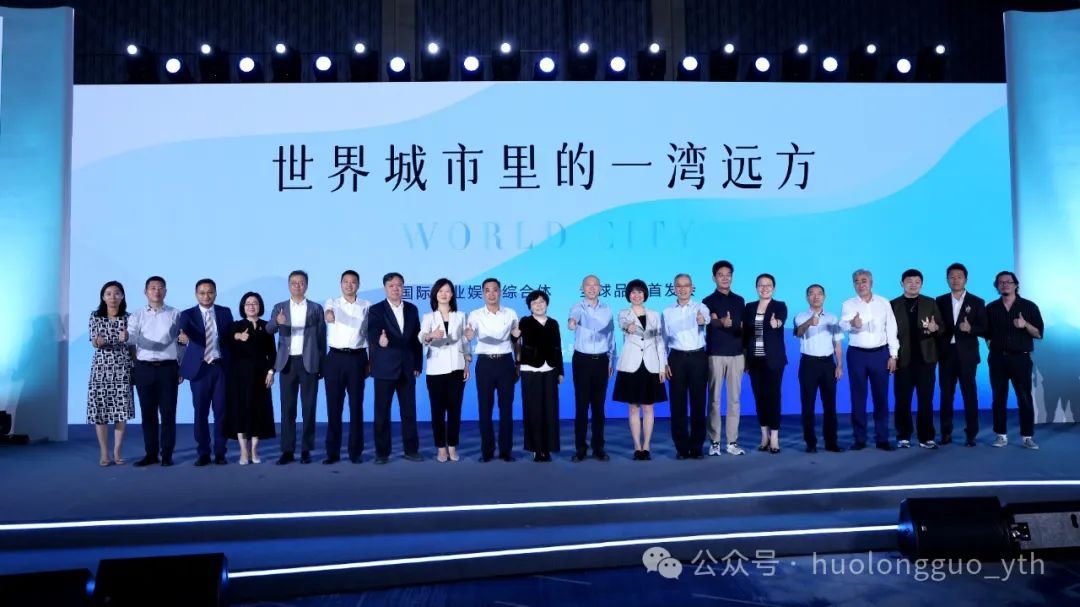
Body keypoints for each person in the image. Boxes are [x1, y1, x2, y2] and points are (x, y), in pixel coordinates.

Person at [267, 270, 327, 465]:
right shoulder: (280, 307)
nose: (297, 286)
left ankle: (306, 450)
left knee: (309, 408)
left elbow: (322, 338)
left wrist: (322, 365)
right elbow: (268, 330)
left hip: (309, 362)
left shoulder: (316, 308)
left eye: (301, 283)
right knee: (288, 408)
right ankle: (287, 450)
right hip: (287, 363)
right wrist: (276, 322)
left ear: (306, 285)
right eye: (294, 282)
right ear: (288, 285)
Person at [367, 272, 423, 464]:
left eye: (399, 285)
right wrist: (379, 339)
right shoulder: (376, 309)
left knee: (409, 411)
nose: (395, 289)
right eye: (391, 286)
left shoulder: (412, 309)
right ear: (385, 288)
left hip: (407, 367)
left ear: (403, 287)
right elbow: (372, 331)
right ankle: (382, 453)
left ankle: (411, 450)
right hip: (385, 367)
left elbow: (417, 338)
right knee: (382, 412)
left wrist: (417, 364)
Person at [840, 269, 899, 451]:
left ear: (871, 283)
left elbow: (891, 329)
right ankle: (859, 438)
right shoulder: (848, 304)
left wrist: (893, 355)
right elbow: (842, 325)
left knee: (881, 397)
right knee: (858, 397)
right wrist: (852, 324)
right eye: (857, 281)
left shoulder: (883, 302)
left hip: (880, 354)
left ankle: (882, 438)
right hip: (857, 355)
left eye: (864, 280)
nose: (860, 284)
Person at [178, 278, 235, 466]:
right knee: (200, 412)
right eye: (202, 293)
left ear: (215, 293)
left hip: (220, 368)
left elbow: (229, 340)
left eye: (210, 292)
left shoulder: (225, 312)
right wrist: (180, 367)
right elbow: (180, 342)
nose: (206, 296)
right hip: (199, 370)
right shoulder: (187, 315)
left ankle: (220, 452)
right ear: (196, 294)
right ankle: (203, 453)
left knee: (222, 412)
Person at [985, 270, 1044, 449]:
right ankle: (1001, 435)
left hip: (1021, 359)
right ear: (997, 286)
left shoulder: (1029, 306)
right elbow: (986, 332)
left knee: (1024, 397)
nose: (1005, 285)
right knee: (998, 397)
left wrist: (1025, 325)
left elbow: (1039, 333)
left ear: (1016, 285)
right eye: (1001, 282)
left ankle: (1027, 436)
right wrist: (990, 342)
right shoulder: (991, 308)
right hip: (997, 359)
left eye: (1008, 282)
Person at [127, 276, 181, 467]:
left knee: (168, 413)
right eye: (153, 288)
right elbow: (131, 339)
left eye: (160, 288)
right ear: (145, 291)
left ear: (165, 291)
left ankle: (167, 454)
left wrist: (181, 367)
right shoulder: (137, 315)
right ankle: (151, 454)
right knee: (148, 413)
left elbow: (181, 342)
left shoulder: (175, 314)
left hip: (168, 368)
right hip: (144, 368)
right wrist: (125, 337)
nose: (156, 291)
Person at [466, 278, 521, 462]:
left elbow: (516, 340)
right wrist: (468, 335)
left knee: (506, 409)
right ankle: (487, 452)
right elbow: (469, 333)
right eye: (487, 290)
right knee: (485, 408)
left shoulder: (510, 313)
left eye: (495, 290)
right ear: (483, 293)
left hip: (505, 363)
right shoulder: (475, 314)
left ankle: (506, 451)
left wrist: (518, 363)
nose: (491, 294)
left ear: (500, 292)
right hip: (485, 364)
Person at [613, 279, 667, 461]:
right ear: (628, 295)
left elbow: (659, 341)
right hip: (631, 366)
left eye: (640, 292)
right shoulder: (624, 313)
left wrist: (662, 366)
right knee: (634, 408)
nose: (637, 295)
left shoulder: (654, 314)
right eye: (633, 292)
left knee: (649, 407)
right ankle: (637, 446)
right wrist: (628, 327)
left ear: (645, 294)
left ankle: (647, 446)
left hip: (651, 365)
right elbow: (624, 325)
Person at [935, 263, 987, 447]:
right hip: (946, 355)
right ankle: (945, 433)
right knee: (946, 395)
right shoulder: (939, 301)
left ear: (966, 279)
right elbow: (938, 327)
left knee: (969, 395)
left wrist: (970, 328)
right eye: (952, 277)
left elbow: (985, 329)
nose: (955, 280)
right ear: (947, 279)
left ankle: (971, 434)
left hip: (967, 356)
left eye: (959, 277)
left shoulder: (977, 301)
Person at [890, 269, 943, 449]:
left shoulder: (930, 302)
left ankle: (926, 436)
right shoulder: (893, 305)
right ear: (902, 283)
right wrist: (892, 356)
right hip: (902, 359)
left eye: (917, 281)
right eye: (909, 281)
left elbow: (942, 327)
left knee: (926, 399)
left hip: (926, 359)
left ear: (921, 284)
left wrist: (936, 328)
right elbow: (888, 333)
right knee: (902, 399)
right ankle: (903, 435)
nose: (913, 284)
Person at [419, 278, 471, 463]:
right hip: (435, 370)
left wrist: (467, 364)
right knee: (437, 411)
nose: (444, 294)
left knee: (455, 410)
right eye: (440, 291)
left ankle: (452, 447)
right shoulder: (429, 317)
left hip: (456, 368)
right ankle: (441, 448)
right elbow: (421, 337)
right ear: (435, 294)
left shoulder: (461, 316)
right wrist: (430, 335)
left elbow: (465, 341)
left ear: (452, 295)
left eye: (447, 291)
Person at [323, 270, 370, 464]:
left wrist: (370, 361)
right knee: (334, 407)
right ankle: (332, 453)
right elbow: (328, 315)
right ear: (340, 284)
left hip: (357, 358)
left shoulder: (367, 305)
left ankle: (355, 452)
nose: (349, 285)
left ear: (358, 285)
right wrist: (329, 315)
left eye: (353, 282)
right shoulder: (332, 302)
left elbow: (369, 333)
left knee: (356, 406)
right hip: (335, 358)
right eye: (346, 282)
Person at [661, 273, 710, 459]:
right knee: (677, 405)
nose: (683, 289)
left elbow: (705, 318)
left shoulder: (700, 307)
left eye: (686, 285)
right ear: (674, 289)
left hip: (698, 358)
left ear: (692, 288)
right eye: (679, 286)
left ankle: (697, 447)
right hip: (676, 359)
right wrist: (664, 363)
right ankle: (681, 448)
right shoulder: (667, 312)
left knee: (698, 403)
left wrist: (701, 320)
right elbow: (663, 340)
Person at [567, 275, 615, 462]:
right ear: (583, 288)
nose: (592, 288)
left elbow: (611, 337)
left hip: (601, 361)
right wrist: (572, 322)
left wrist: (610, 362)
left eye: (595, 285)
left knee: (598, 406)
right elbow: (574, 317)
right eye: (588, 285)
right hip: (582, 361)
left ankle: (598, 447)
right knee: (581, 406)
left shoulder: (607, 309)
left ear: (600, 288)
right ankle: (580, 448)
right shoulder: (578, 307)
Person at [225, 292, 276, 465]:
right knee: (241, 411)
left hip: (261, 375)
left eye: (255, 303)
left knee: (258, 411)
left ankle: (254, 450)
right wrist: (239, 336)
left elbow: (272, 352)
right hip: (239, 376)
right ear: (243, 307)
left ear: (260, 306)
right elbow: (229, 340)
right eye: (248, 303)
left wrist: (271, 372)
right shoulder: (236, 325)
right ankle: (243, 451)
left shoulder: (267, 326)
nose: (251, 306)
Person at [87, 281, 135, 466]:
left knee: (121, 411)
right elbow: (93, 340)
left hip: (122, 367)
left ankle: (117, 451)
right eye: (108, 293)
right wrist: (97, 341)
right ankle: (104, 453)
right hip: (101, 368)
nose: (113, 297)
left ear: (122, 296)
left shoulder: (129, 318)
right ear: (103, 297)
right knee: (100, 411)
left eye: (116, 293)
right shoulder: (95, 316)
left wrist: (128, 340)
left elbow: (132, 346)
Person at [702, 260, 747, 456]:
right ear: (714, 278)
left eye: (728, 274)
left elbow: (743, 328)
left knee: (734, 400)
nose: (725, 277)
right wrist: (720, 321)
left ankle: (732, 441)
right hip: (715, 355)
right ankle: (714, 442)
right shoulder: (707, 301)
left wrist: (745, 354)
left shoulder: (740, 300)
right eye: (721, 274)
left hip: (737, 355)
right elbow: (709, 323)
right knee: (714, 400)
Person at [793, 284, 844, 453]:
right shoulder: (800, 316)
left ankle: (831, 442)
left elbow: (837, 342)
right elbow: (798, 333)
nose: (816, 296)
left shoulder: (832, 317)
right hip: (808, 364)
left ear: (824, 297)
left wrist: (839, 365)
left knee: (830, 405)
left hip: (828, 364)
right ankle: (811, 443)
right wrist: (810, 321)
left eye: (819, 293)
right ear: (807, 297)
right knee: (808, 405)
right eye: (812, 294)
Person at [742, 273, 788, 454]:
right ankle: (764, 436)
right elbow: (745, 335)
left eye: (768, 285)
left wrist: (776, 323)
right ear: (756, 288)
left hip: (774, 360)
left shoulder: (780, 305)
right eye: (761, 285)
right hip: (755, 360)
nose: (764, 288)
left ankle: (774, 436)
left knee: (773, 396)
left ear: (773, 288)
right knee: (759, 397)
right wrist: (745, 359)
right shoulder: (749, 307)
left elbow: (780, 321)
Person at [518, 290, 564, 462]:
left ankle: (548, 448)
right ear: (530, 306)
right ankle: (536, 449)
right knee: (533, 410)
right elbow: (515, 341)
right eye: (534, 303)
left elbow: (558, 348)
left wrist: (560, 371)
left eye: (542, 302)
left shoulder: (553, 323)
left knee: (550, 410)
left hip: (550, 369)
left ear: (547, 304)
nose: (538, 305)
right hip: (530, 369)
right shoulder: (525, 322)